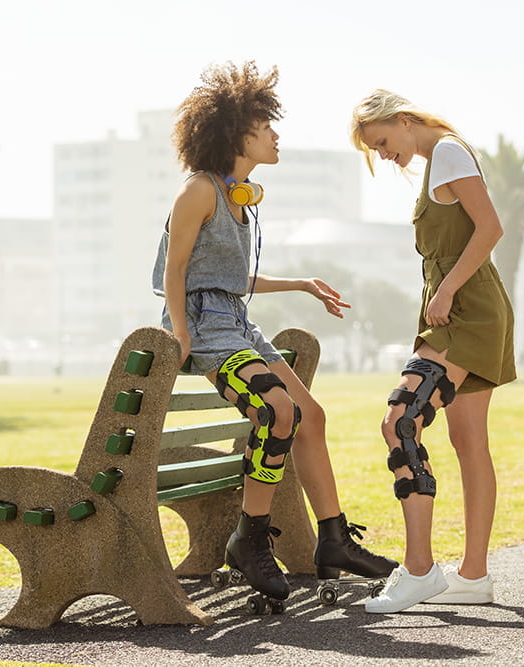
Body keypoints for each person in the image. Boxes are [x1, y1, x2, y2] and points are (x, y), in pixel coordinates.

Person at [152, 62, 397, 603]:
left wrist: (302, 284)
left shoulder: (237, 196)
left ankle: (333, 538)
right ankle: (250, 539)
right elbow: (176, 271)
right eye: (266, 127)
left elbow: (229, 280)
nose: (276, 135)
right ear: (238, 134)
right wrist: (182, 338)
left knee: (311, 415)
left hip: (235, 322)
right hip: (206, 329)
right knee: (278, 411)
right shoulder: (198, 192)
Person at [348, 90, 517, 613]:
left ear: (401, 121)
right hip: (455, 311)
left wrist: (445, 293)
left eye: (381, 142)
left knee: (401, 419)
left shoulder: (445, 151)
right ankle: (473, 576)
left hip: (466, 311)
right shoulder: (438, 160)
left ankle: (419, 570)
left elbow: (490, 227)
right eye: (373, 151)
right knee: (468, 443)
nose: (383, 155)